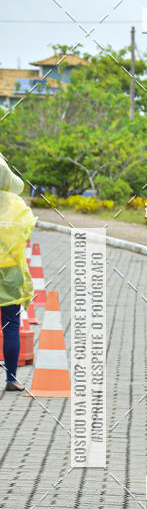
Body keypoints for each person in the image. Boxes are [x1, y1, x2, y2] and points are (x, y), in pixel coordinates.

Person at [0, 154, 36, 391]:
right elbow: (28, 231)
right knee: (11, 324)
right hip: (10, 271)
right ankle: (11, 379)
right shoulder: (17, 206)